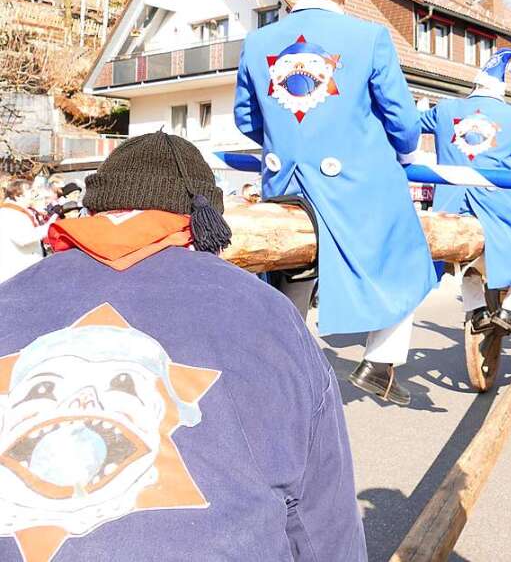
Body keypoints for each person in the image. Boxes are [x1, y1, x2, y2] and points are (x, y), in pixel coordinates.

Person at [0, 133, 367, 560]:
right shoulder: (266, 311)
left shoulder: (8, 298)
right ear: (205, 218)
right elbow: (322, 516)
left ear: (94, 206)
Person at [235, 0, 436, 406]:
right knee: (407, 250)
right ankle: (380, 362)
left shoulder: (259, 40)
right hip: (356, 189)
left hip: (285, 184)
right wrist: (404, 152)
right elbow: (404, 124)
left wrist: (286, 143)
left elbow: (246, 120)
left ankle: (274, 368)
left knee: (289, 274)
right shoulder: (368, 37)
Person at [419, 48, 511, 337]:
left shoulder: (444, 109)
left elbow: (406, 129)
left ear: (476, 85)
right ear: (501, 89)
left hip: (449, 205)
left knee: (465, 263)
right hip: (497, 206)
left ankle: (477, 308)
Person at [0, 178, 56, 284]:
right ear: (18, 196)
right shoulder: (9, 214)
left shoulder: (17, 211)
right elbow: (23, 239)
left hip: (24, 271)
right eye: (30, 192)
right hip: (17, 272)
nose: (34, 195)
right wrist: (49, 226)